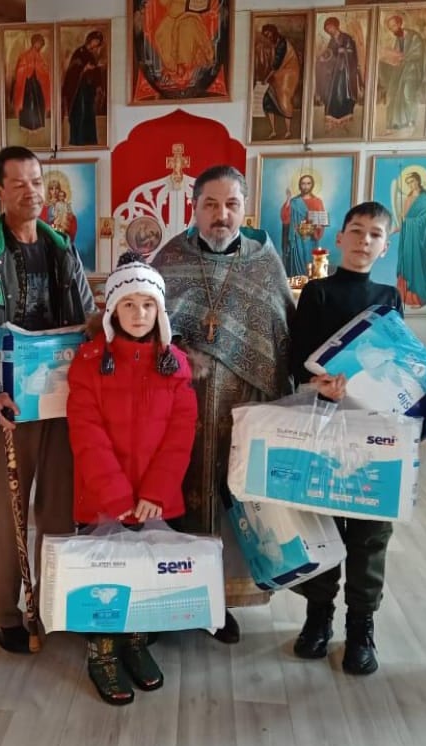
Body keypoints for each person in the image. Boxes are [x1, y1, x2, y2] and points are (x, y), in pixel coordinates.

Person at [0, 145, 96, 653]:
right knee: (6, 511)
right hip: (9, 406)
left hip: (62, 401)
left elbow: (86, 317)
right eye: (18, 184)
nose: (31, 192)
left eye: (37, 182)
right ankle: (1, 614)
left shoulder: (62, 247)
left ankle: (54, 604)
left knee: (59, 510)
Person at [150, 165, 295, 642]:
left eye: (231, 205)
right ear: (194, 208)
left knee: (232, 501)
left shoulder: (264, 262)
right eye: (210, 204)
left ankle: (218, 603)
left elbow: (281, 334)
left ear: (244, 209)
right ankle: (173, 596)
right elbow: (148, 326)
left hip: (242, 406)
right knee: (173, 495)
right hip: (179, 408)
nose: (221, 215)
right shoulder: (170, 258)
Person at [67, 253, 197, 705]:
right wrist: (117, 495)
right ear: (112, 310)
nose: (139, 314)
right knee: (104, 574)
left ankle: (136, 642)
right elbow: (87, 436)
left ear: (160, 311)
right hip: (104, 496)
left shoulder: (175, 365)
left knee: (145, 572)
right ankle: (102, 652)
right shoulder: (89, 363)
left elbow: (180, 436)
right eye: (128, 304)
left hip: (153, 498)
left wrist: (156, 492)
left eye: (148, 305)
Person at [286, 202, 402, 676]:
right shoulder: (318, 292)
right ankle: (318, 617)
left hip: (374, 428)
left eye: (375, 234)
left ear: (385, 245)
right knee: (323, 521)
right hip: (325, 422)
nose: (363, 241)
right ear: (339, 238)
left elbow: (398, 364)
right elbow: (297, 358)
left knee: (370, 533)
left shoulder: (389, 297)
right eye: (356, 231)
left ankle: (361, 626)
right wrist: (318, 384)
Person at [393, 171, 426, 308]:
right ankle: (403, 295)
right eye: (408, 183)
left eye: (412, 181)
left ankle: (417, 299)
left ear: (418, 180)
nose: (411, 185)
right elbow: (405, 217)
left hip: (418, 239)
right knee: (405, 261)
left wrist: (409, 222)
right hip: (407, 236)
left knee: (415, 264)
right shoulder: (409, 197)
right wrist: (399, 226)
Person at [378, 14, 426, 132]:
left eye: (394, 26)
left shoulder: (414, 36)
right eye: (390, 28)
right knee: (393, 93)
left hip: (413, 70)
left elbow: (418, 53)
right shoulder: (398, 39)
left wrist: (403, 57)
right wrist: (390, 59)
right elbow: (396, 55)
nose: (393, 30)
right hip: (401, 70)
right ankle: (398, 122)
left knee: (407, 94)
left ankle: (411, 120)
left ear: (400, 24)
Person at [254, 23, 301, 140]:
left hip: (287, 74)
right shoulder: (274, 43)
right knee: (268, 101)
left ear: (274, 32)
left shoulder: (282, 44)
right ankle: (273, 131)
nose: (268, 37)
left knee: (284, 100)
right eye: (265, 35)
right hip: (277, 75)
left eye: (269, 34)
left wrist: (266, 78)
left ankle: (288, 131)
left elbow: (276, 65)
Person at [315, 16, 361, 131]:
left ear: (335, 26)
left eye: (330, 28)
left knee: (344, 93)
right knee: (332, 94)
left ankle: (345, 120)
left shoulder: (347, 38)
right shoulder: (332, 41)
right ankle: (332, 120)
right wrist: (323, 58)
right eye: (327, 29)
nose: (329, 31)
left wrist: (344, 51)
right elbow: (330, 53)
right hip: (334, 71)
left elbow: (352, 53)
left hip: (345, 72)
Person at [62, 30, 105, 146]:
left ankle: (89, 140)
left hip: (88, 90)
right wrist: (85, 68)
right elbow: (72, 70)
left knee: (89, 113)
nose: (96, 44)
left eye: (98, 42)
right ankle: (78, 140)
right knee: (80, 112)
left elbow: (95, 72)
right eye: (95, 41)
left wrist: (97, 70)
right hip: (78, 90)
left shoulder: (92, 55)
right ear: (90, 40)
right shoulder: (79, 52)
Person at [280, 174, 326, 277]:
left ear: (312, 185)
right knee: (296, 270)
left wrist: (317, 226)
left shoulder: (317, 202)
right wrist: (288, 199)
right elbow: (285, 218)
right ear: (300, 185)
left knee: (309, 266)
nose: (306, 186)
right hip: (296, 239)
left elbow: (321, 223)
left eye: (308, 183)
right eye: (303, 183)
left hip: (310, 240)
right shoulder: (294, 202)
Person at [13, 33, 50, 136]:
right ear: (34, 43)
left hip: (37, 83)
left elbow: (44, 69)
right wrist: (29, 68)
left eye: (41, 44)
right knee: (28, 104)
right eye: (39, 44)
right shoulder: (25, 55)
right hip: (27, 83)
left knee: (39, 103)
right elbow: (20, 69)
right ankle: (27, 126)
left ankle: (38, 125)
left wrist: (42, 70)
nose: (40, 46)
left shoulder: (40, 56)